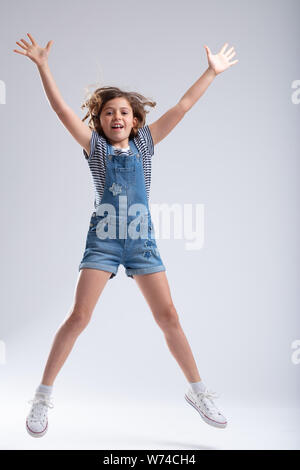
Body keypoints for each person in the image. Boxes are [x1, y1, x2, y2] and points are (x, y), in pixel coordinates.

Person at [13, 33, 238, 438]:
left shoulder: (146, 145)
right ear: (98, 122)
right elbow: (63, 111)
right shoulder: (95, 148)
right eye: (107, 113)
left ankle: (199, 392)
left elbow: (183, 106)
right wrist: (43, 67)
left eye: (123, 112)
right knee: (79, 316)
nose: (116, 118)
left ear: (135, 120)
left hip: (141, 241)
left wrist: (211, 72)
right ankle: (42, 397)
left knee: (168, 316)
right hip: (103, 240)